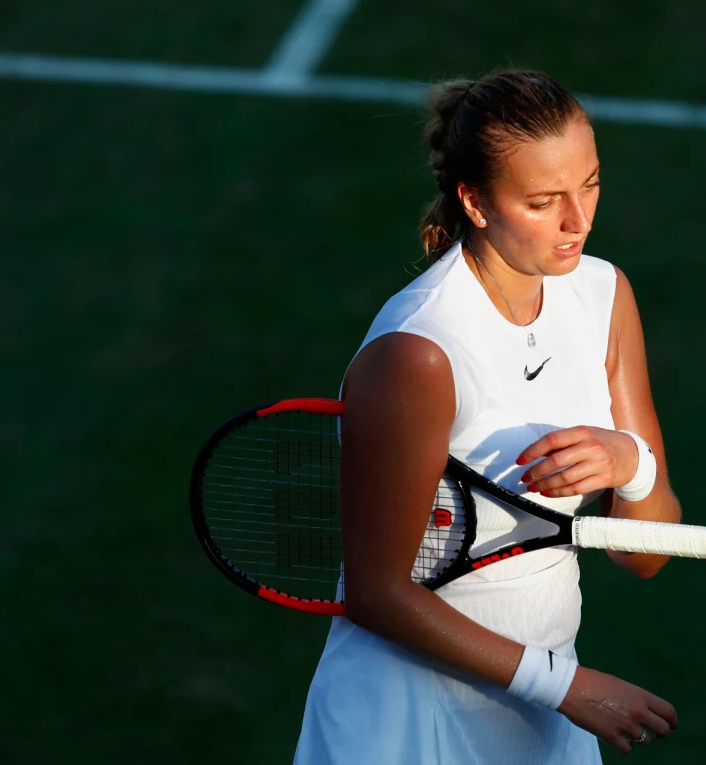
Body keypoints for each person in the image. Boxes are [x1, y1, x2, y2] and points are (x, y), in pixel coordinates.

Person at [292, 69, 683, 763]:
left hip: (543, 711)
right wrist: (562, 683)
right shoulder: (418, 352)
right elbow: (377, 593)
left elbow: (645, 553)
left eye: (589, 183)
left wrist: (632, 462)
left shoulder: (603, 294)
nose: (579, 222)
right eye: (543, 201)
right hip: (404, 721)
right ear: (474, 201)